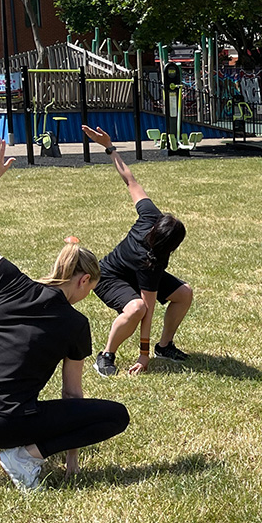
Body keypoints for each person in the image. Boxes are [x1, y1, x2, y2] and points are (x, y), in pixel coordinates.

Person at [0, 138, 130, 490]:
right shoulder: (76, 324)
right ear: (84, 280)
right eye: (90, 289)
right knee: (115, 416)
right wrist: (70, 462)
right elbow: (72, 398)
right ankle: (24, 455)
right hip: (0, 422)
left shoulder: (12, 282)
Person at [82, 125, 194, 376]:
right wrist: (143, 356)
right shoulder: (151, 260)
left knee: (184, 293)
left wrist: (109, 148)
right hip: (109, 277)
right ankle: (106, 355)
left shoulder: (150, 220)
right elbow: (148, 311)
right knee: (136, 309)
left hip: (135, 274)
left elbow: (130, 180)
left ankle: (164, 347)